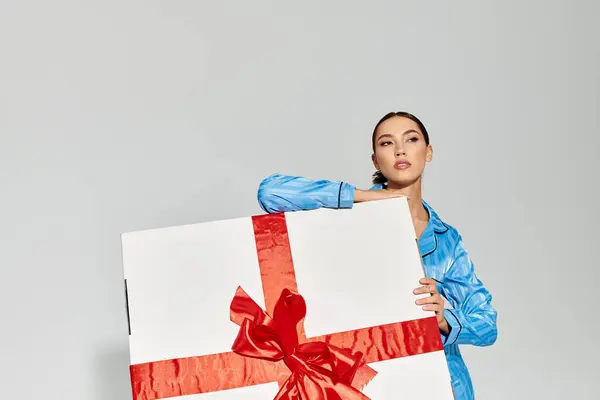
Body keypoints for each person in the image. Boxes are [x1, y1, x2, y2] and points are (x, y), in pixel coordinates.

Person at [256, 111, 498, 399]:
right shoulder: (352, 216)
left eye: (411, 139)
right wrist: (368, 198)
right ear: (375, 160)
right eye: (387, 143)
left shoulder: (445, 238)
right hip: (374, 375)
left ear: (428, 152)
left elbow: (487, 325)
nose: (400, 149)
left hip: (443, 382)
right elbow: (270, 192)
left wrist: (445, 318)